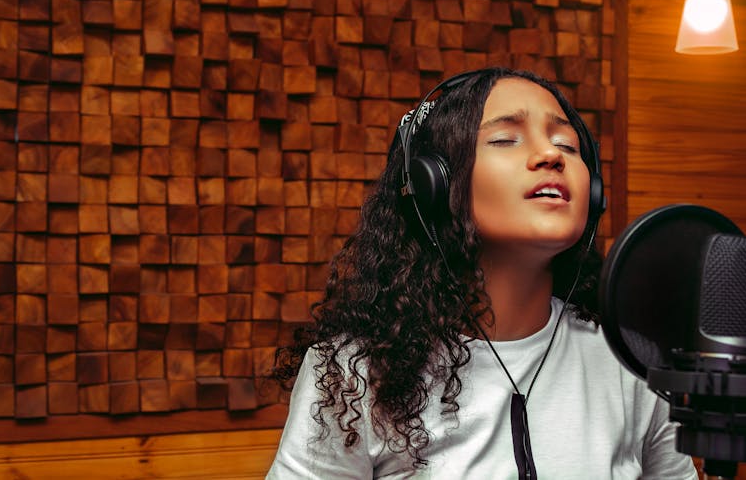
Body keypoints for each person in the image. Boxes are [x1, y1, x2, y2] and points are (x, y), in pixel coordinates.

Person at [266, 67, 698, 479]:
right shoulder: (352, 372)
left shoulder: (628, 358)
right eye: (506, 138)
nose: (550, 155)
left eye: (567, 145)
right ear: (433, 182)